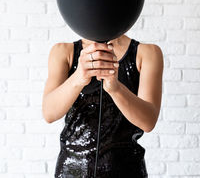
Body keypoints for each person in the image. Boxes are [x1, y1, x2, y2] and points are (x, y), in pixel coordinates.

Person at [42, 33, 163, 178]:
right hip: (72, 170)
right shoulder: (63, 51)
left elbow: (148, 122)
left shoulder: (148, 53)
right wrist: (79, 77)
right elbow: (49, 113)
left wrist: (115, 88)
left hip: (126, 170)